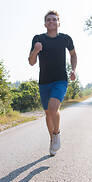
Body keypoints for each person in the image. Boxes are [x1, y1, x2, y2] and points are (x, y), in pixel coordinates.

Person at [28, 10, 77, 156]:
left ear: (58, 23)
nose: (51, 22)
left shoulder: (66, 39)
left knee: (53, 107)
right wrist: (36, 51)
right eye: (49, 20)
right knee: (48, 114)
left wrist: (73, 70)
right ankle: (53, 139)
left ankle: (57, 134)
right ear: (45, 23)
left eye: (54, 20)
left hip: (60, 79)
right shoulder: (38, 39)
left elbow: (73, 54)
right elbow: (31, 62)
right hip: (44, 82)